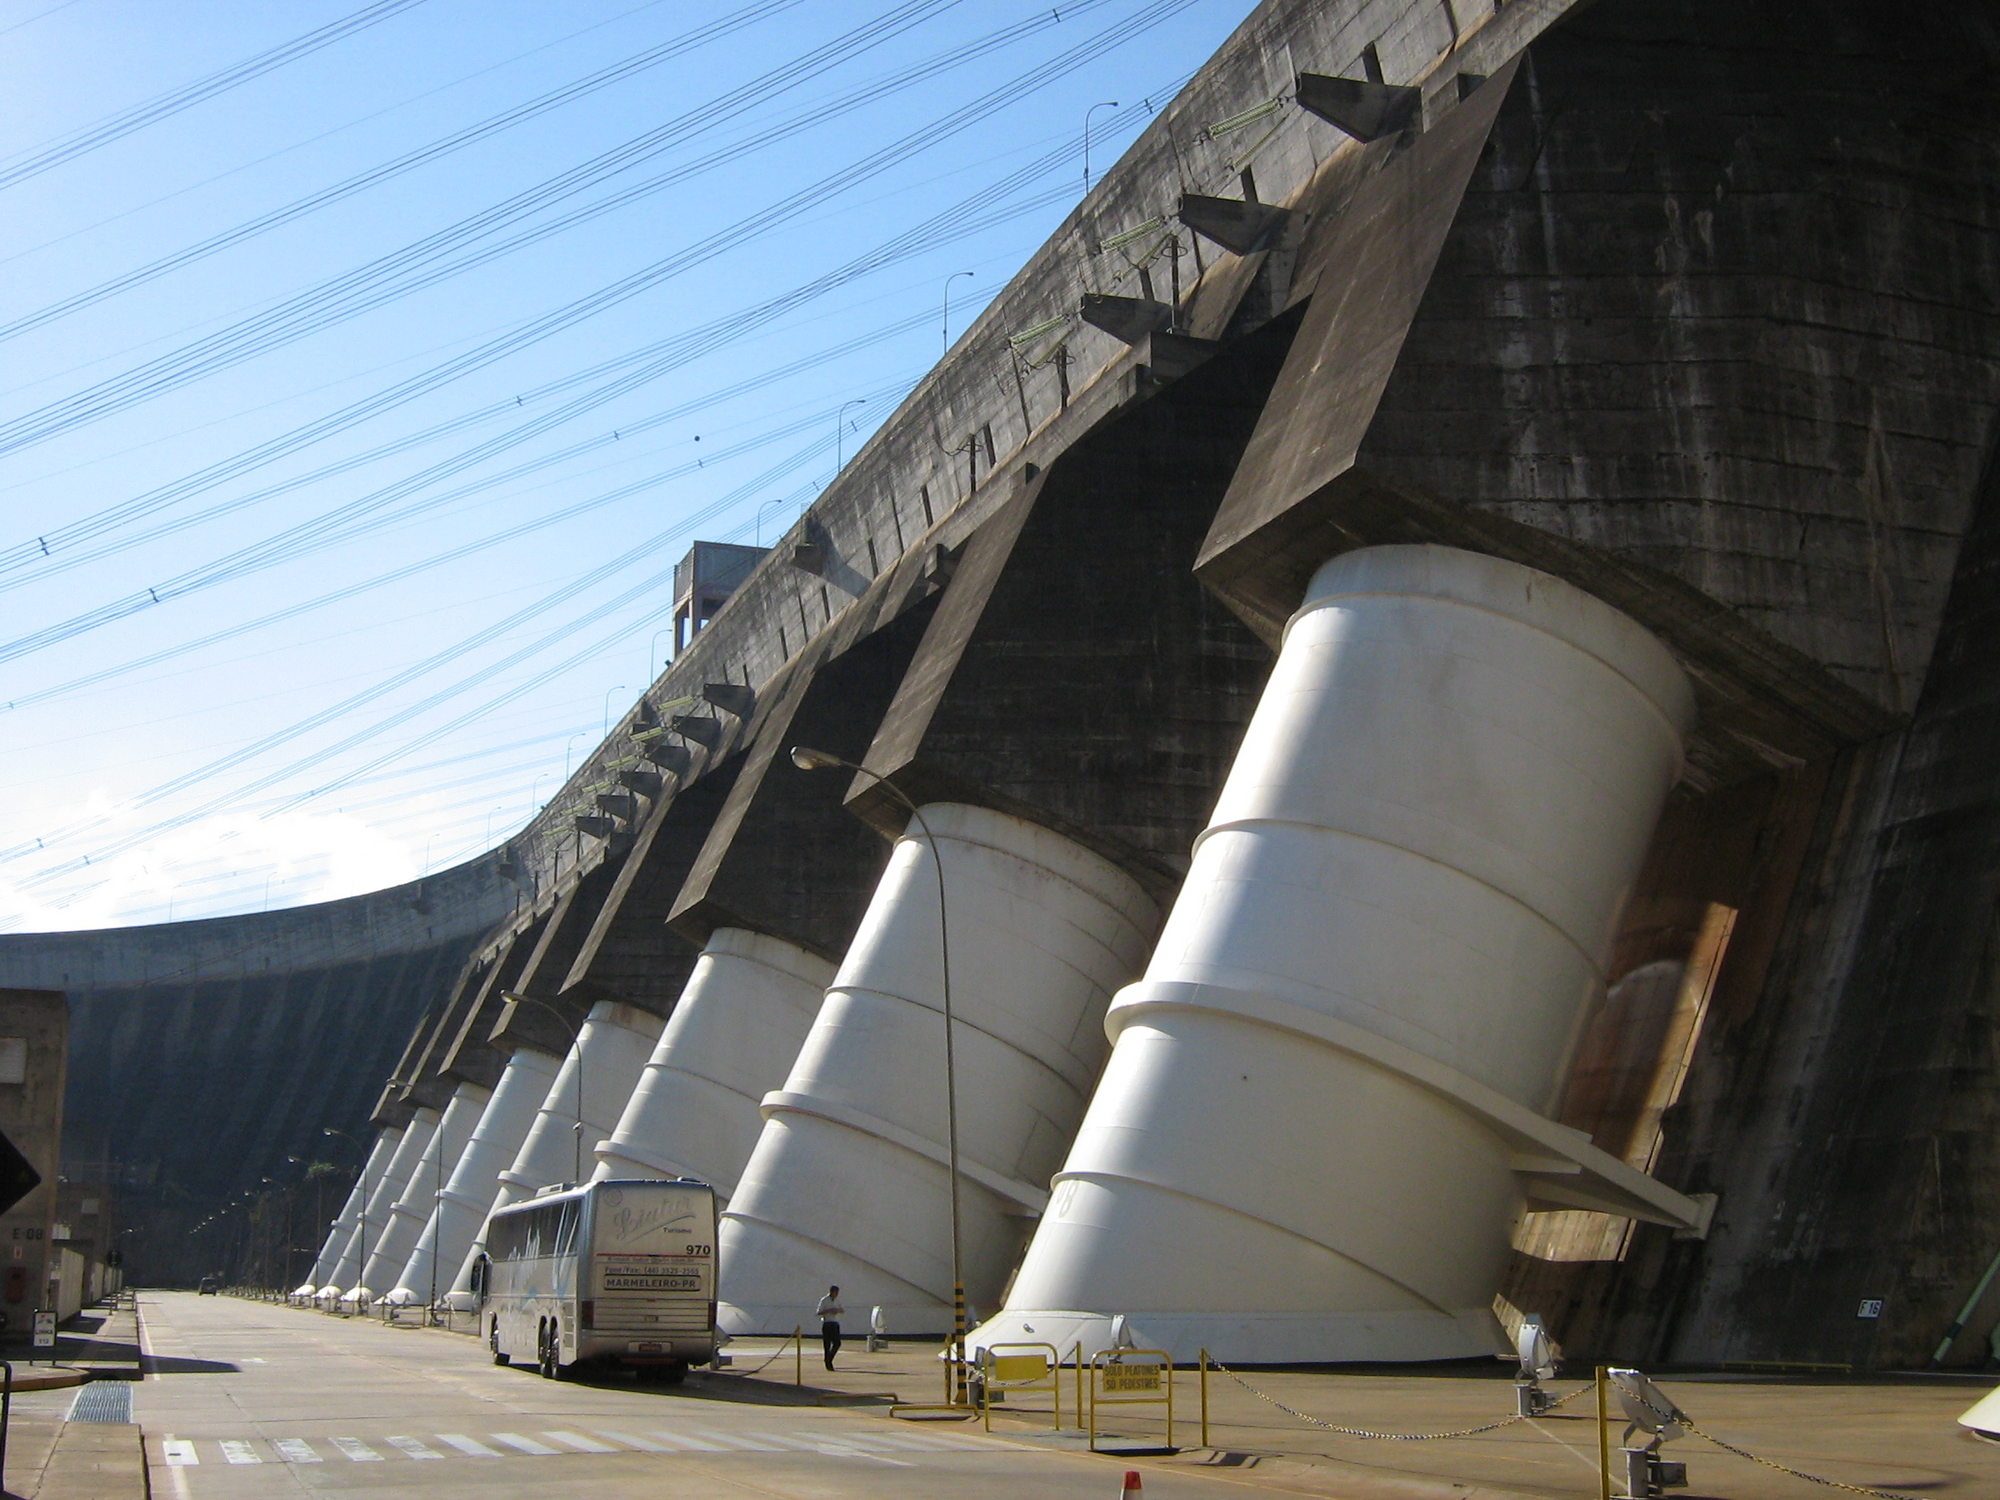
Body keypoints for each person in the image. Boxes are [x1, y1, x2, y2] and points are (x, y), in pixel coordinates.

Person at [815, 1284, 843, 1370]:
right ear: (832, 1292)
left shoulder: (837, 1300)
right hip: (827, 1323)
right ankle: (828, 1363)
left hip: (835, 1323)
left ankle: (828, 1359)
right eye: (836, 1292)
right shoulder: (824, 1300)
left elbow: (842, 1310)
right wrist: (829, 1311)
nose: (837, 1294)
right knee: (827, 1344)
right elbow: (818, 1312)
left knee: (837, 1343)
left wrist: (837, 1310)